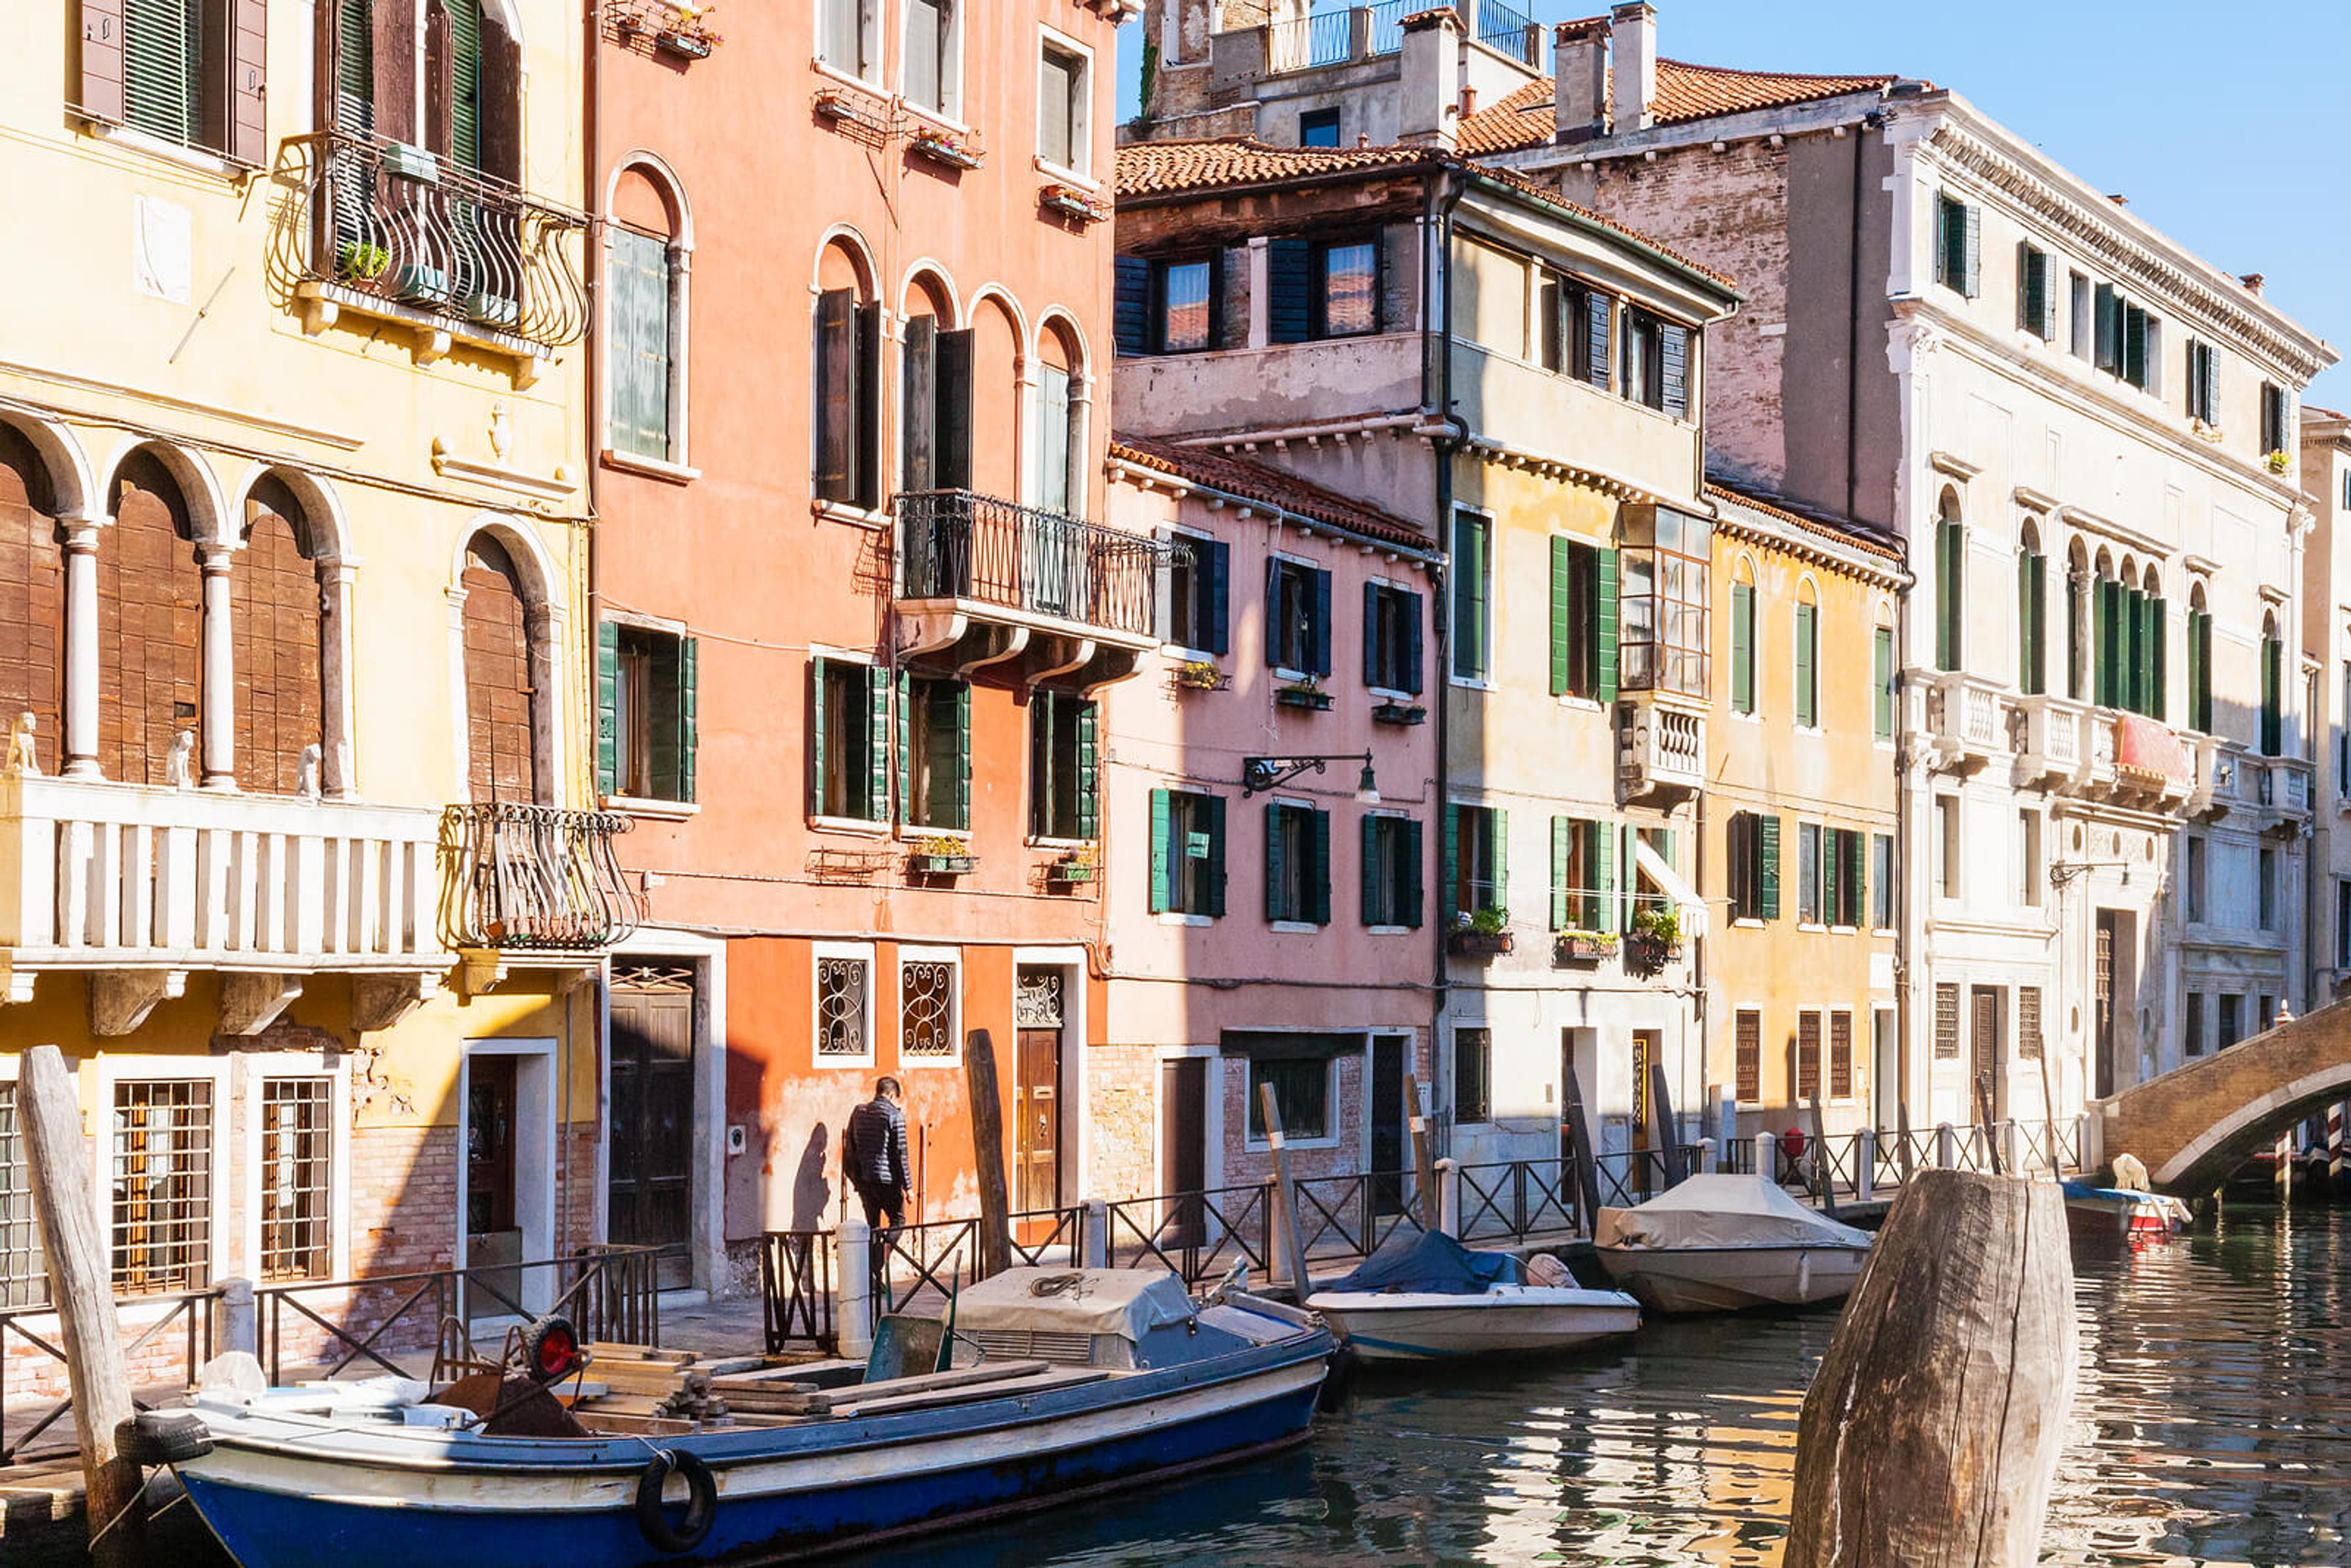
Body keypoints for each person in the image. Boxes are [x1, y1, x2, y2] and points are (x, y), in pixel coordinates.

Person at [843, 1077, 912, 1231]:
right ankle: (883, 1254)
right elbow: (901, 1154)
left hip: (865, 1180)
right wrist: (909, 1187)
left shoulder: (858, 1112)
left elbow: (850, 1147)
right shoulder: (895, 1116)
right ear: (892, 1096)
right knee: (898, 1222)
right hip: (888, 1181)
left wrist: (854, 1177)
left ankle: (876, 1255)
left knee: (873, 1226)